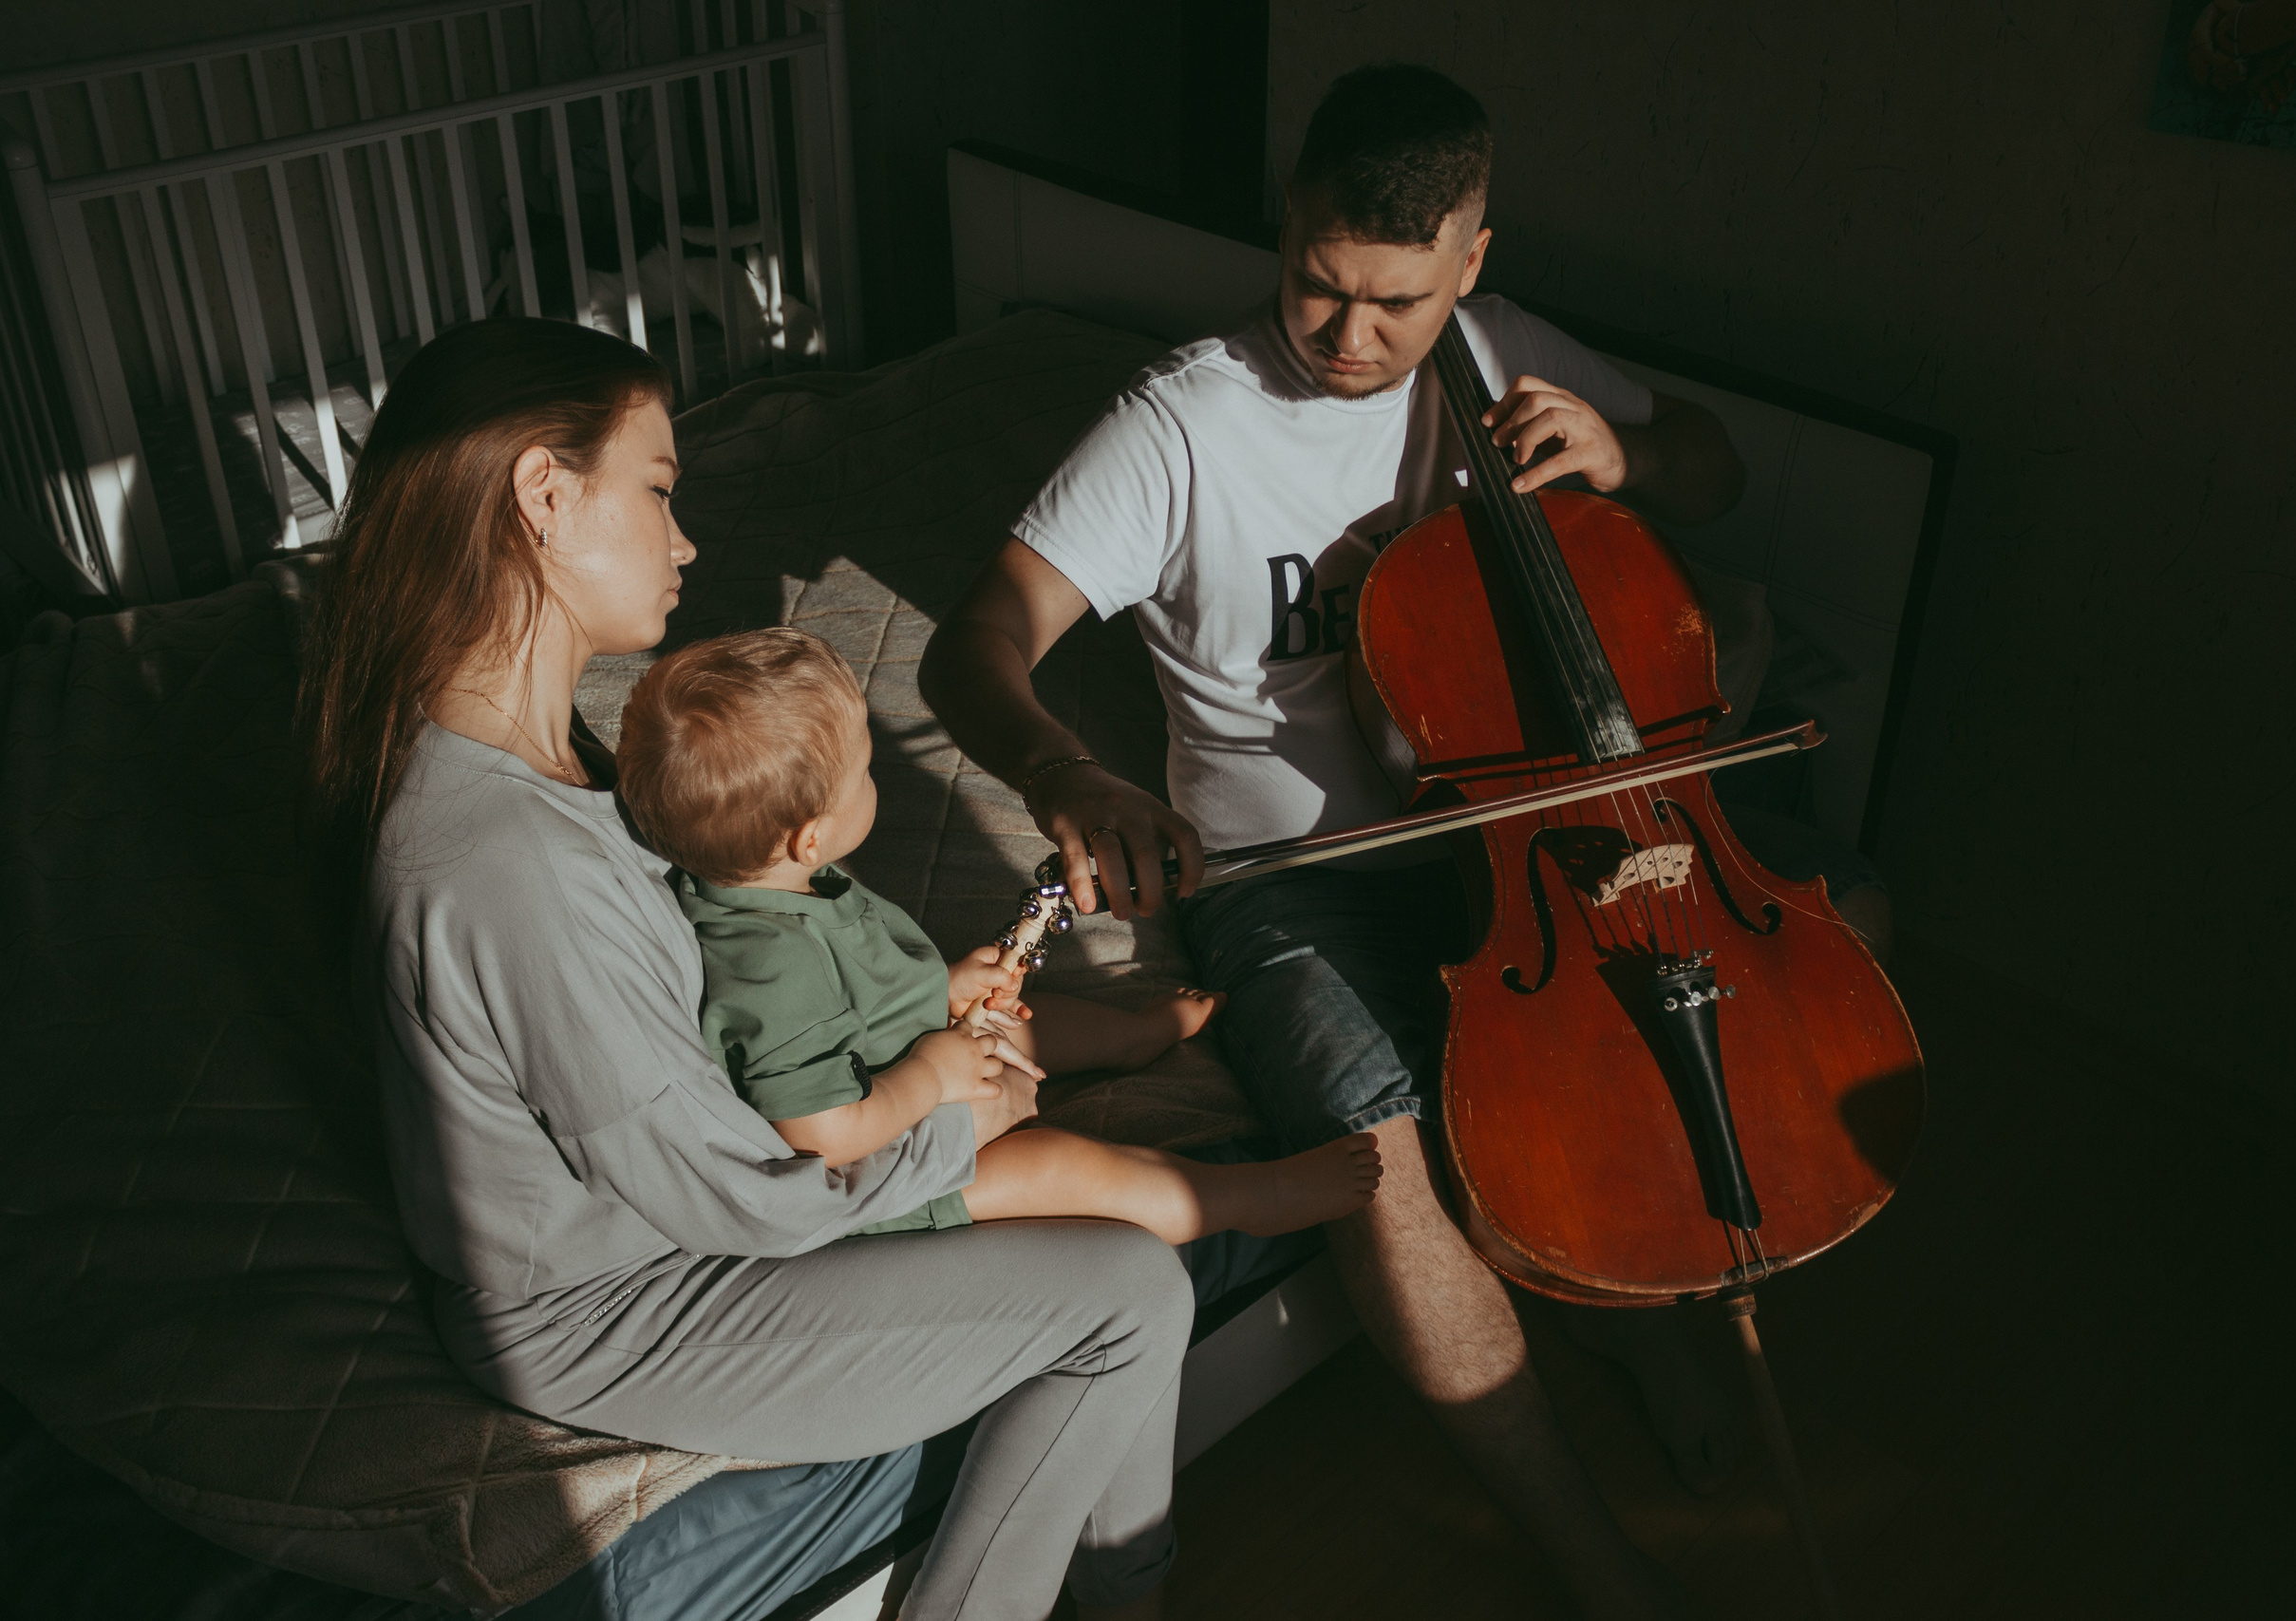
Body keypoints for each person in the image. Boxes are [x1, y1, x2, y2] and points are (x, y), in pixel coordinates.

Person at [920, 64, 1752, 1619]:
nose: (1353, 341)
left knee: (1636, 1036)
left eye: (1397, 303)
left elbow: (1717, 464)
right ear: (1287, 228)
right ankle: (1591, 1550)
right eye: (1316, 288)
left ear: (1472, 261)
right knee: (1377, 1162)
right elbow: (977, 640)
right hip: (1281, 886)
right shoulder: (1183, 421)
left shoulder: (1500, 355)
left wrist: (1629, 457)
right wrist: (1064, 770)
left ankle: (1642, 1315)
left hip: (1508, 828)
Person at [302, 315, 1195, 1621]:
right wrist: (950, 1124)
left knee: (1116, 1254)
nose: (686, 540)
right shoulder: (501, 861)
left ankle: (1129, 1591)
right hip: (620, 1301)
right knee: (1128, 1291)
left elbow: (695, 1016)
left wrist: (913, 1025)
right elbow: (742, 1194)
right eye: (659, 492)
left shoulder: (543, 760)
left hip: (659, 1234)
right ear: (545, 497)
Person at [613, 625, 1383, 1244]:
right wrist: (933, 1076)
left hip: (912, 1059)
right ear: (809, 837)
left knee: (1033, 1016)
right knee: (1069, 1168)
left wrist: (944, 990)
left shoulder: (765, 877)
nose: (875, 784)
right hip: (897, 1172)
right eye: (866, 774)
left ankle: (1133, 1035)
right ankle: (1251, 1194)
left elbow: (861, 998)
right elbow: (819, 1133)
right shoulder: (771, 967)